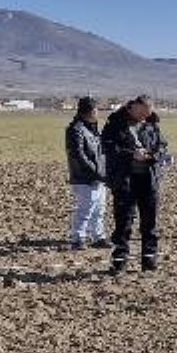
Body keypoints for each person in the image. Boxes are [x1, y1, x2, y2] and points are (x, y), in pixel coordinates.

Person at [102, 95, 172, 273]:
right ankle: (120, 261)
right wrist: (131, 154)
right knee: (124, 222)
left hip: (148, 179)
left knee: (150, 223)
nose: (144, 117)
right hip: (125, 180)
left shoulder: (151, 124)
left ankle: (149, 260)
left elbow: (162, 145)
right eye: (142, 113)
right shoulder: (115, 124)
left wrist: (155, 155)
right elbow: (108, 147)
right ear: (133, 107)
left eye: (147, 114)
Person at [64, 96, 109, 250]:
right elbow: (79, 155)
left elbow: (99, 152)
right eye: (96, 110)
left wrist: (103, 171)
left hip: (98, 177)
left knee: (99, 209)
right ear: (88, 111)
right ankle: (78, 238)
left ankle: (98, 236)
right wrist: (96, 172)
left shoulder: (92, 128)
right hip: (84, 178)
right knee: (85, 209)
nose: (98, 113)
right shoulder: (76, 129)